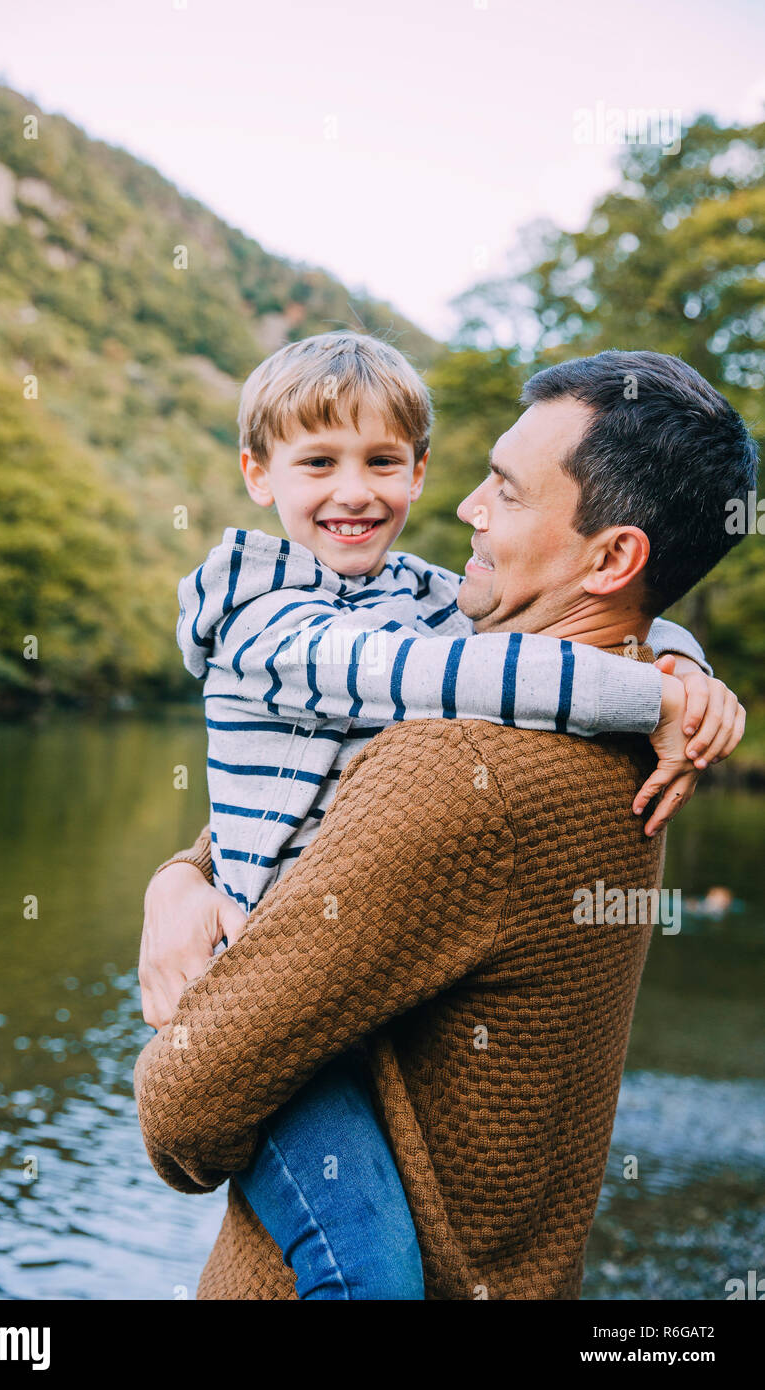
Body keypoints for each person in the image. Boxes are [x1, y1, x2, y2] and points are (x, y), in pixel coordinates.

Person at [136, 348, 753, 1300]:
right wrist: (189, 870)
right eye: (318, 463)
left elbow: (183, 1102)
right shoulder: (610, 733)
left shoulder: (464, 767)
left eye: (504, 491)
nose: (465, 507)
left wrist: (669, 677)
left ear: (613, 555)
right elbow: (342, 780)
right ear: (259, 476)